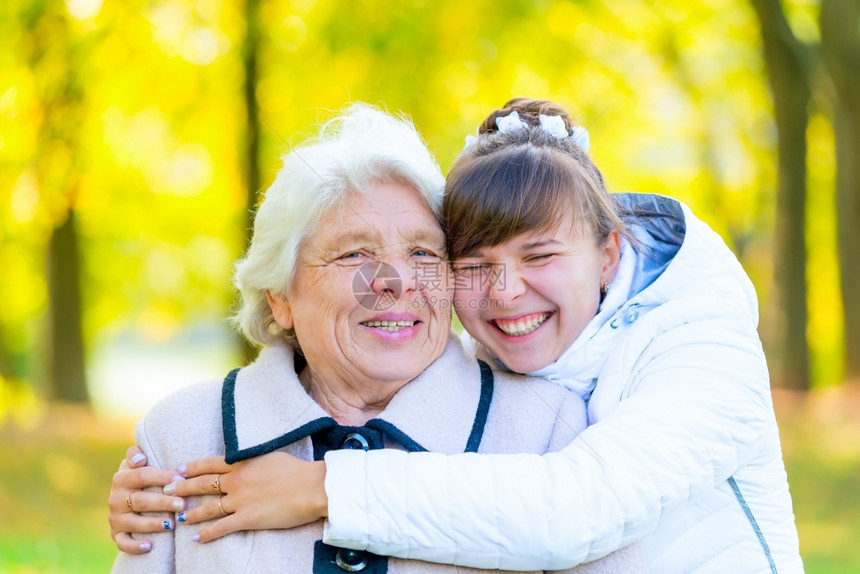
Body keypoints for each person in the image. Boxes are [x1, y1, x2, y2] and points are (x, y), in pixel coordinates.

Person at [109, 97, 804, 572]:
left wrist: (325, 488)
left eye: (419, 254)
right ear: (279, 296)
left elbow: (575, 510)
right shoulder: (186, 436)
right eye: (473, 265)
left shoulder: (691, 351)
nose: (504, 293)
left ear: (610, 255)